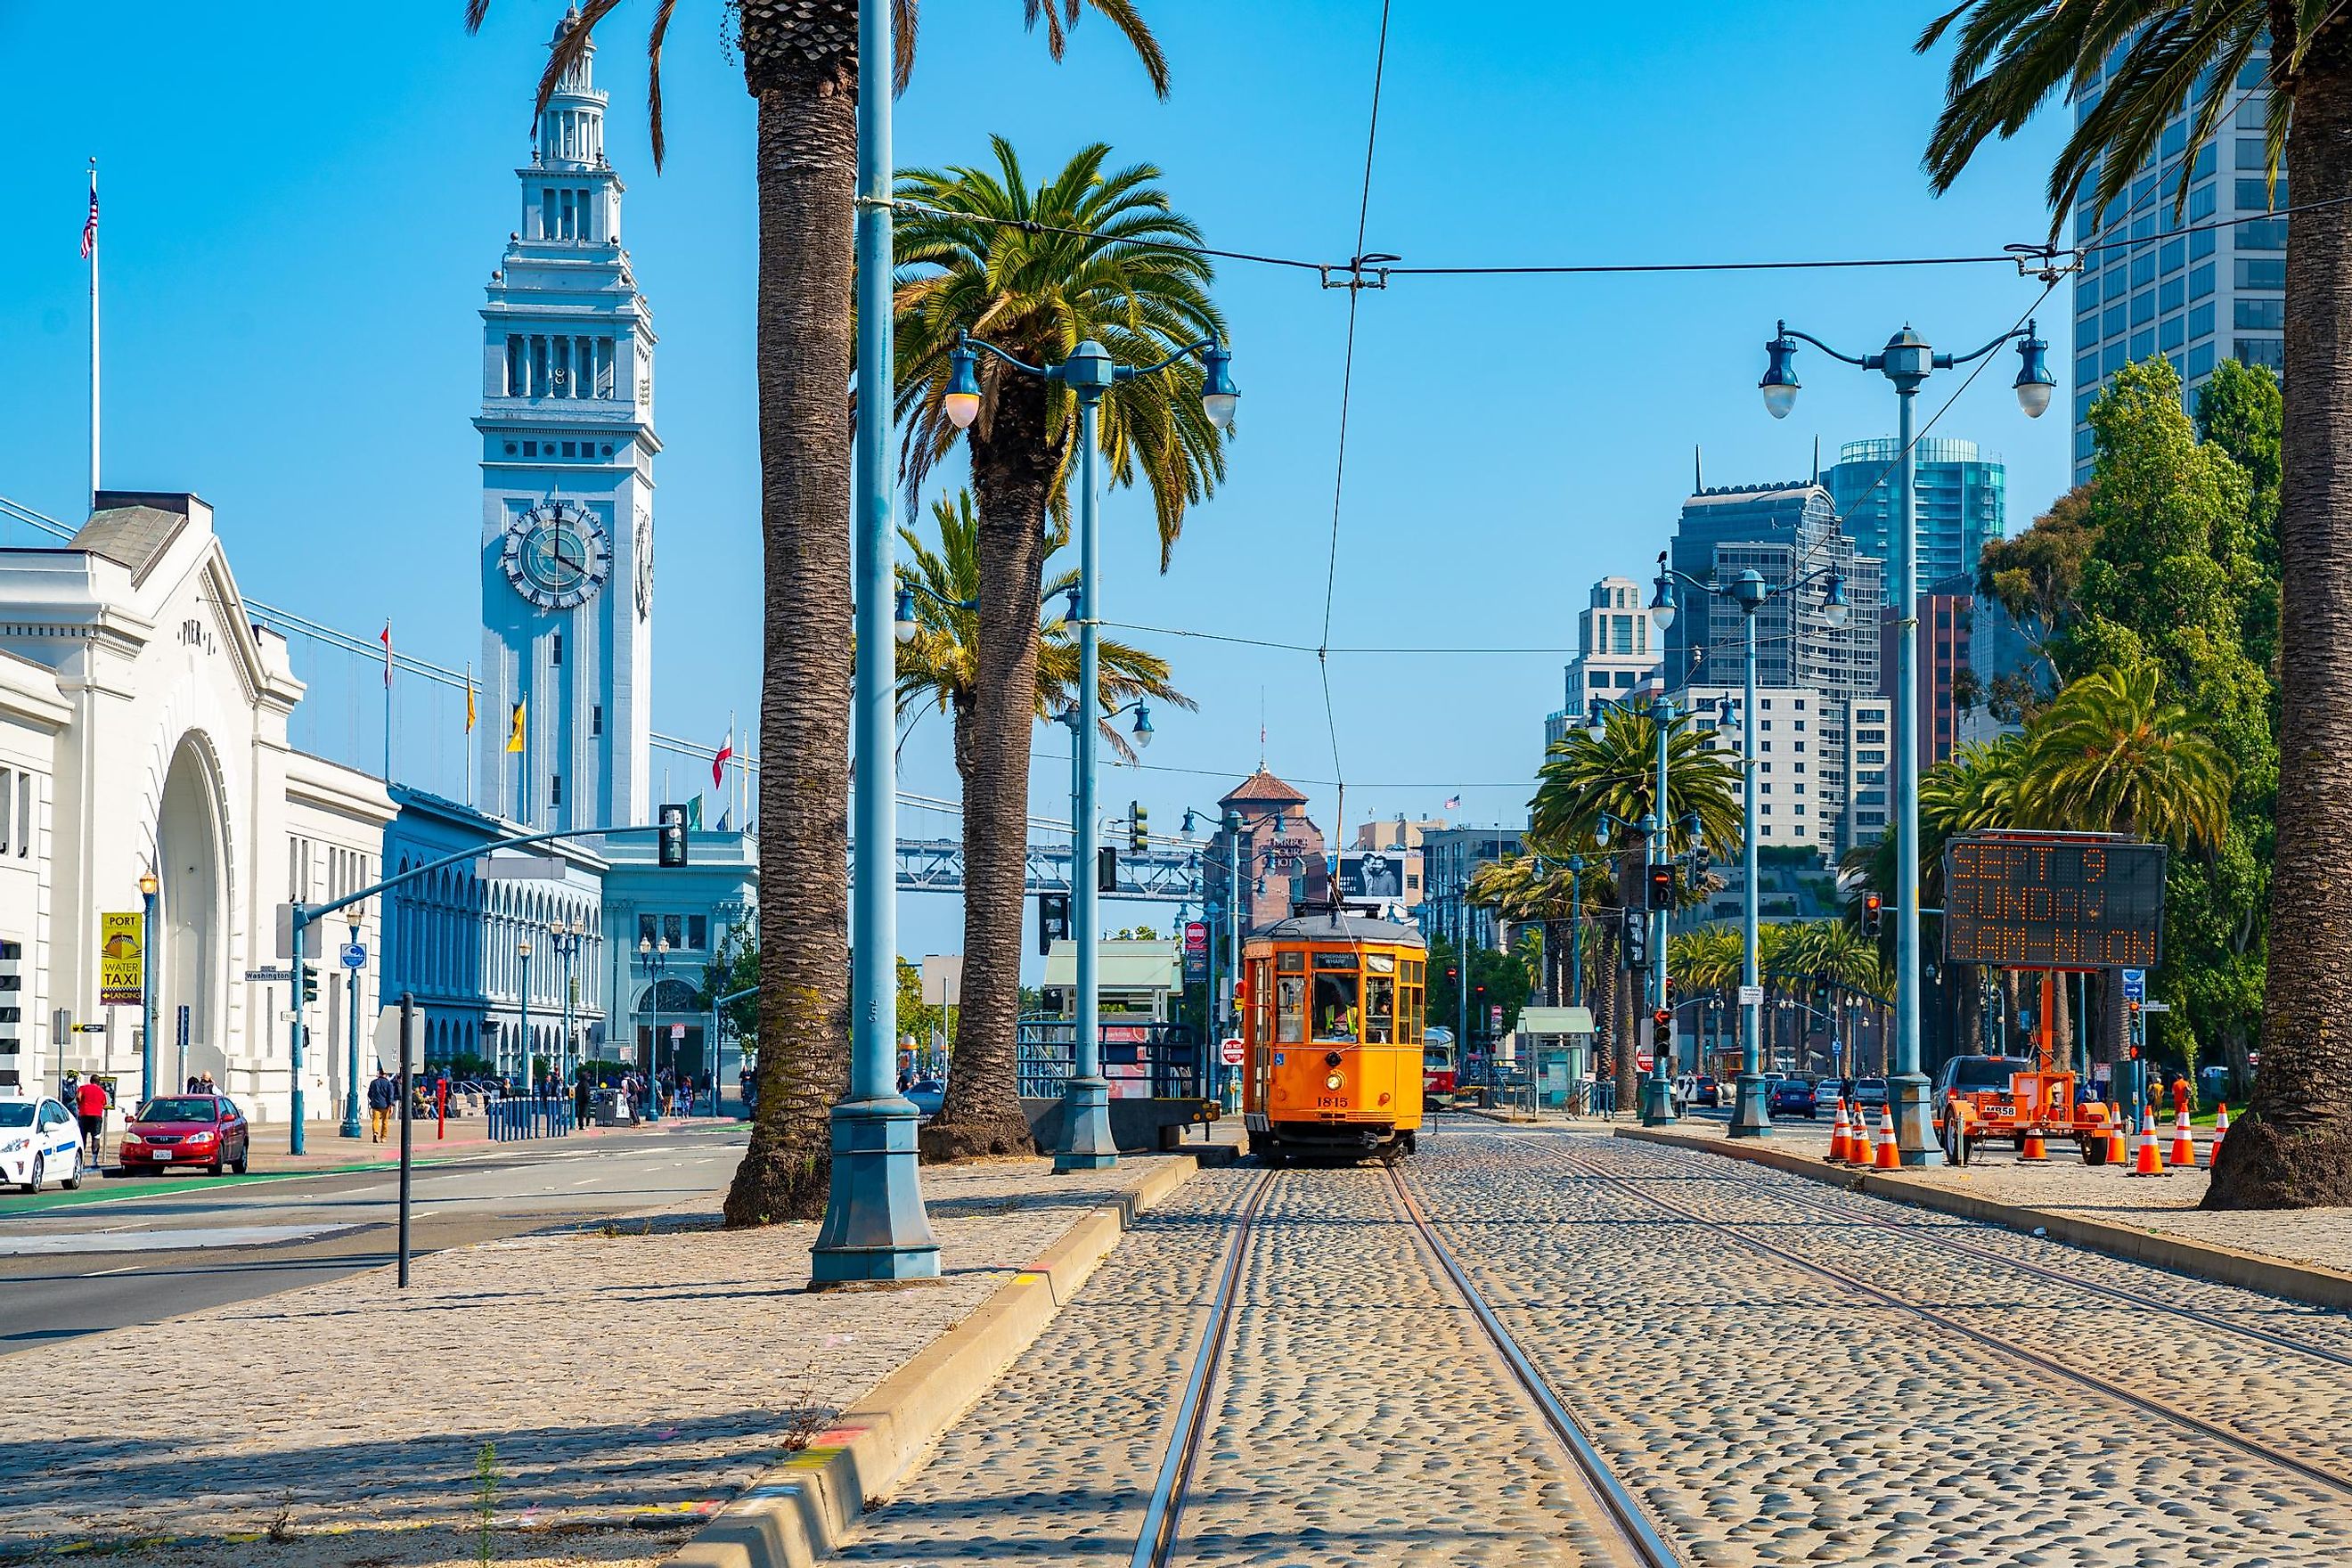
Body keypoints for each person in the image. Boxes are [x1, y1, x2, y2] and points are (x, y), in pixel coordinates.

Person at [74, 1074, 110, 1164]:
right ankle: (94, 1161)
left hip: (84, 1114)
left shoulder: (83, 1088)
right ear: (98, 1082)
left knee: (82, 1137)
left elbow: (78, 1097)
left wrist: (80, 1105)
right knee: (96, 1137)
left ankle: (82, 1160)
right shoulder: (101, 1091)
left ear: (90, 1081)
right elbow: (104, 1103)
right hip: (96, 1116)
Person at [365, 1067, 398, 1143]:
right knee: (385, 1122)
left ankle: (375, 1132)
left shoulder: (373, 1082)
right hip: (385, 1106)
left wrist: (373, 1100)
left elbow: (369, 1094)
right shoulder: (389, 1084)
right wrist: (391, 1105)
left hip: (375, 1105)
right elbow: (390, 1096)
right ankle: (383, 1137)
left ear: (379, 1073)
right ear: (386, 1074)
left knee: (375, 1120)